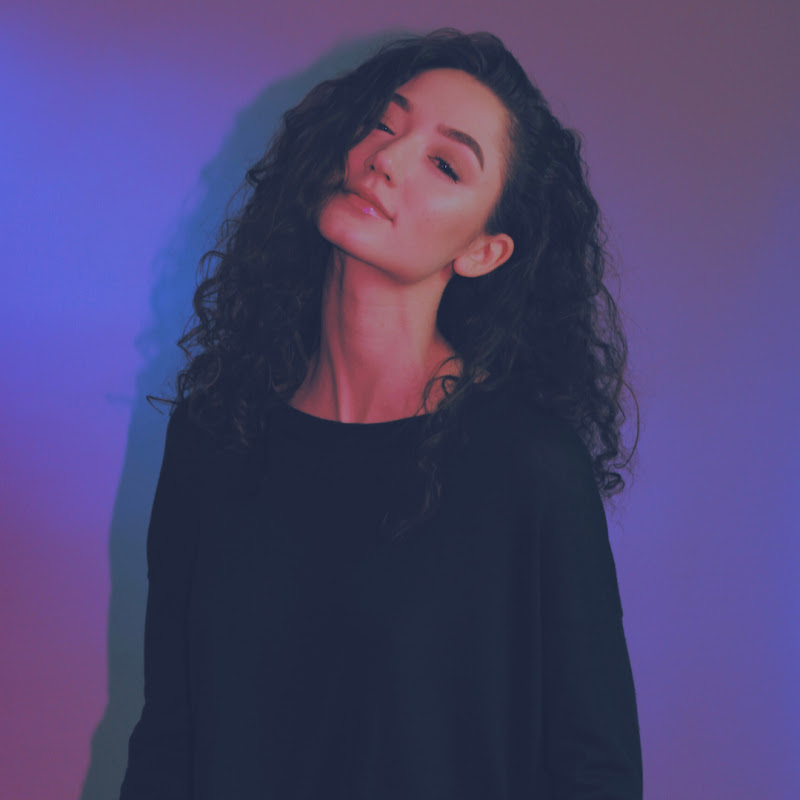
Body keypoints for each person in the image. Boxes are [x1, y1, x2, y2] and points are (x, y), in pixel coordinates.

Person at [119, 28, 642, 800]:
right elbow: (171, 738)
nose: (387, 158)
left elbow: (595, 772)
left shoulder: (528, 467)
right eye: (382, 124)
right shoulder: (213, 436)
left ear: (484, 252)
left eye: (444, 164)